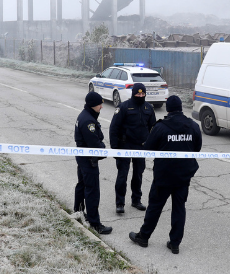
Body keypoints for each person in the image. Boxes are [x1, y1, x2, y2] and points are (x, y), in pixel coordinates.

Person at [129, 95, 202, 255]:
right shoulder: (193, 126)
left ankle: (144, 237)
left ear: (168, 109)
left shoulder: (160, 127)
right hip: (183, 176)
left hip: (164, 176)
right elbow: (197, 148)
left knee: (155, 207)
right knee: (179, 208)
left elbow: (148, 149)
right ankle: (175, 243)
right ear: (181, 108)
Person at [108, 83, 156, 214]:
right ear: (133, 93)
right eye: (138, 93)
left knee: (138, 174)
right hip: (125, 146)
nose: (140, 96)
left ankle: (136, 200)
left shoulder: (148, 108)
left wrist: (151, 144)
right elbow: (114, 128)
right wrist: (115, 148)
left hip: (141, 147)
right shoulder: (124, 107)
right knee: (122, 175)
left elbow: (154, 128)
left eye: (142, 94)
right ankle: (120, 203)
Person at [72, 91, 112, 234]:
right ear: (92, 105)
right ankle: (95, 223)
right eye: (99, 104)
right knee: (92, 190)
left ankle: (78, 211)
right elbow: (95, 144)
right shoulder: (88, 121)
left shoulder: (85, 115)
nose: (101, 106)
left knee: (82, 185)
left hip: (83, 158)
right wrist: (103, 148)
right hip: (88, 160)